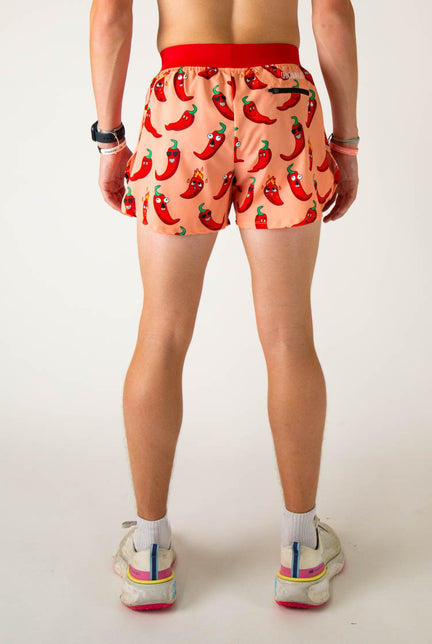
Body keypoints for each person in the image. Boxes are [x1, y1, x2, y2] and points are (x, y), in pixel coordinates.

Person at [89, 0, 359, 610]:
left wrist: (109, 139)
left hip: (182, 107)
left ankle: (150, 553)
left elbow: (109, 18)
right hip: (281, 103)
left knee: (160, 335)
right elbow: (333, 17)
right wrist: (345, 143)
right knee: (289, 336)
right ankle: (302, 550)